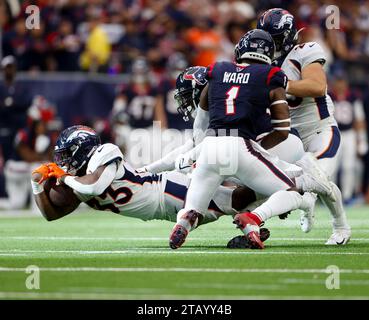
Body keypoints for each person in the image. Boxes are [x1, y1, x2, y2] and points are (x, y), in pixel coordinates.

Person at [168, 29, 333, 250]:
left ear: (241, 49)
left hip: (212, 147)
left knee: (193, 206)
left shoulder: (217, 69)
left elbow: (202, 117)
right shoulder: (271, 75)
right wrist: (258, 149)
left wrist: (202, 146)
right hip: (241, 146)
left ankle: (185, 221)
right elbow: (282, 130)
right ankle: (254, 219)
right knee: (291, 192)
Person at [31, 125, 269, 245]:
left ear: (81, 149)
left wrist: (63, 178)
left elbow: (93, 187)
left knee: (236, 199)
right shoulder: (79, 180)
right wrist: (38, 186)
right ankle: (253, 225)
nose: (61, 163)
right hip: (164, 210)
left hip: (167, 189)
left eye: (65, 155)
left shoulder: (105, 153)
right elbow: (52, 214)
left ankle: (286, 188)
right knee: (224, 207)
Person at [257, 8, 351, 244]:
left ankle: (341, 227)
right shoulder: (262, 63)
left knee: (318, 179)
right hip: (289, 137)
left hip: (320, 129)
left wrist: (283, 82)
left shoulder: (305, 51)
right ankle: (305, 203)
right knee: (273, 179)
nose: (270, 44)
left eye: (275, 38)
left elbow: (317, 86)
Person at [0, 96, 56, 209]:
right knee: (39, 167)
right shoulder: (24, 134)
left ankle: (39, 203)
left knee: (16, 204)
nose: (44, 126)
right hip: (15, 168)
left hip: (26, 169)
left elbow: (51, 157)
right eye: (41, 123)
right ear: (34, 123)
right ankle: (37, 205)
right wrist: (42, 155)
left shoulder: (46, 136)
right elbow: (27, 157)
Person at [331, 76, 368, 203]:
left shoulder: (353, 97)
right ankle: (331, 196)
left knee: (349, 166)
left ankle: (346, 196)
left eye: (342, 81)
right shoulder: (329, 96)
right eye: (338, 81)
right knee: (332, 166)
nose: (340, 84)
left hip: (349, 134)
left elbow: (359, 119)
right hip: (334, 133)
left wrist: (361, 139)